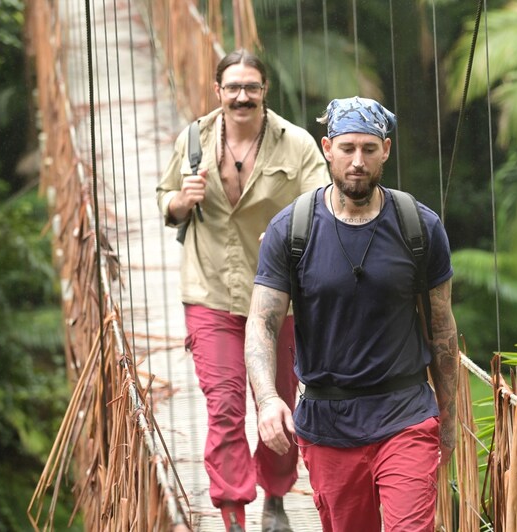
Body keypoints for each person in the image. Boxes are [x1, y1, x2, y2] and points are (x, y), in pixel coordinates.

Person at [244, 96, 459, 532]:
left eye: (368, 148)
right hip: (329, 423)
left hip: (406, 416)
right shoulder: (291, 230)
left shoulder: (419, 227)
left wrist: (450, 419)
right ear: (327, 148)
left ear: (386, 151)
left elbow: (442, 329)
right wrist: (268, 400)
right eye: (347, 149)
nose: (357, 161)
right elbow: (263, 324)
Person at [156, 49, 330, 532]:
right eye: (232, 87)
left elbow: (321, 205)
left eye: (251, 87)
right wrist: (179, 201)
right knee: (226, 406)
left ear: (264, 91)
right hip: (210, 294)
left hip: (281, 301)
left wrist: (287, 233)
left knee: (280, 403)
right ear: (218, 91)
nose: (241, 96)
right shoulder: (194, 139)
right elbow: (163, 200)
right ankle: (233, 513)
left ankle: (275, 497)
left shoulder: (294, 144)